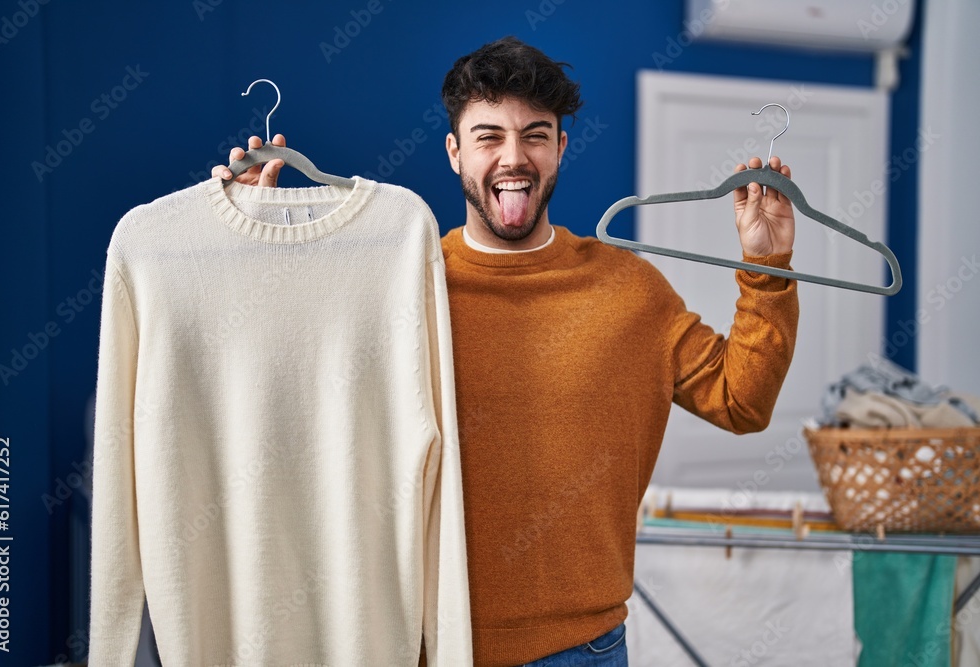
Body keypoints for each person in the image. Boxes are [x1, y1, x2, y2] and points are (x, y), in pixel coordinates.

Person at [214, 35, 798, 667]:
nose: (513, 158)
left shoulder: (629, 290)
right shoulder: (402, 287)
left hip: (584, 650)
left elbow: (744, 401)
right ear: (454, 151)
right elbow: (283, 402)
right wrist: (254, 246)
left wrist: (767, 266)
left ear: (561, 148)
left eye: (535, 135)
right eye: (489, 136)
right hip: (424, 644)